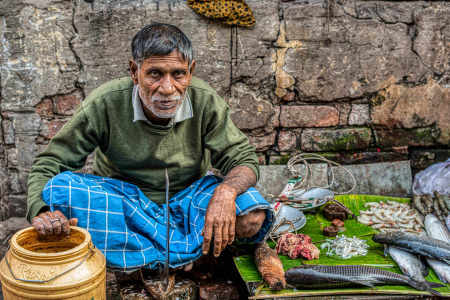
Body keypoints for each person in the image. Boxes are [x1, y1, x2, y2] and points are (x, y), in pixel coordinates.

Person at [26, 23, 273, 270]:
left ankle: (141, 256)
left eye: (178, 74)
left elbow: (243, 158)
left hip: (186, 204)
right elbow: (51, 163)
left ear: (191, 71)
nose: (167, 88)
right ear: (135, 72)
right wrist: (43, 210)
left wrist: (226, 192)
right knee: (63, 188)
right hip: (123, 209)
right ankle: (185, 253)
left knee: (252, 217)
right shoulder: (106, 102)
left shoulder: (204, 100)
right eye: (155, 74)